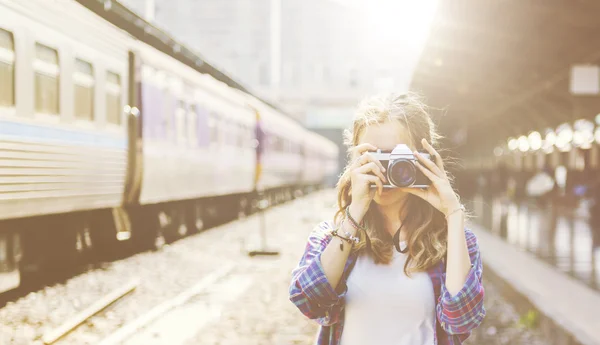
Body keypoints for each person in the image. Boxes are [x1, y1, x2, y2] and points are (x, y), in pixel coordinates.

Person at [288, 92, 485, 345]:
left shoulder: (454, 243)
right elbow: (309, 303)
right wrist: (355, 211)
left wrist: (453, 214)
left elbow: (462, 321)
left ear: (424, 157)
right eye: (374, 157)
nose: (384, 171)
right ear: (355, 161)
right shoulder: (330, 236)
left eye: (396, 157)